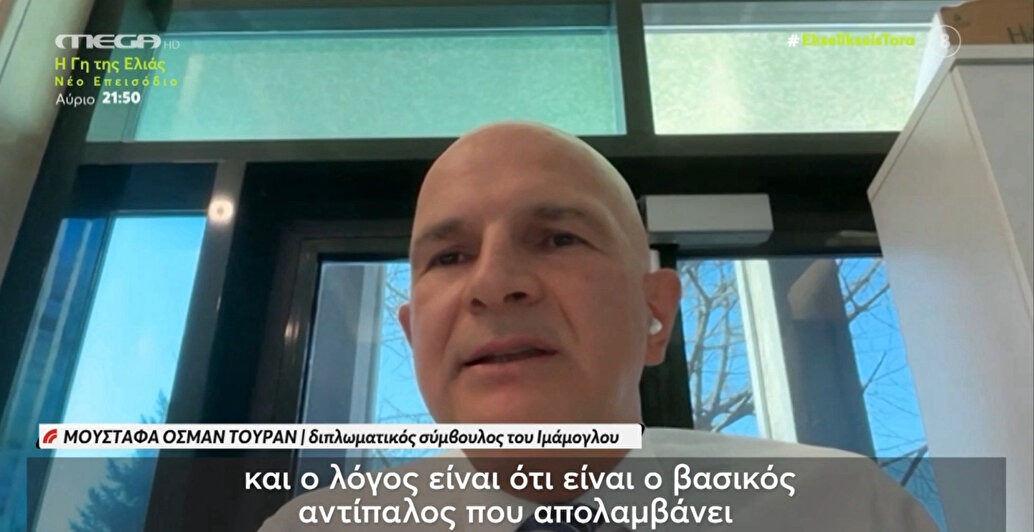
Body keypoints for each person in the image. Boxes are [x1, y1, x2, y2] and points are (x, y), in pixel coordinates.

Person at [259, 122, 936, 531]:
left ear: (656, 315)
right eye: (450, 256)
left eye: (558, 239)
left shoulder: (850, 514)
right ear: (412, 336)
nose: (494, 284)